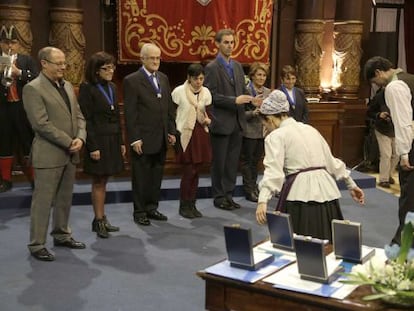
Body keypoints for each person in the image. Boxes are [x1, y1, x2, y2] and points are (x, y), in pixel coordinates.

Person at [255, 90, 365, 241]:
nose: (266, 128)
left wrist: (263, 200)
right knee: (328, 245)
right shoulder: (310, 129)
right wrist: (351, 184)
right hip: (326, 195)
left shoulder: (276, 136)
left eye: (265, 124)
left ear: (270, 119)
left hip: (300, 196)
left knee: (300, 247)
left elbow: (274, 172)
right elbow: (331, 161)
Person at [22, 47, 87, 261]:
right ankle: (37, 244)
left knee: (64, 198)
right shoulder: (33, 88)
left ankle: (61, 234)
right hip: (49, 154)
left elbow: (79, 116)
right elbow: (41, 124)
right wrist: (69, 141)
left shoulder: (67, 85)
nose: (62, 66)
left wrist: (81, 137)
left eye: (64, 63)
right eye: (58, 63)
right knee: (43, 201)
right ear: (44, 63)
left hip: (70, 153)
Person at [204, 28, 261, 211]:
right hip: (221, 123)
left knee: (231, 164)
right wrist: (233, 101)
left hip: (237, 123)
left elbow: (242, 93)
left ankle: (228, 195)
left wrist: (252, 100)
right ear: (218, 44)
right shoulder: (212, 68)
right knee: (219, 163)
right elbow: (211, 96)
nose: (230, 46)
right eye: (226, 42)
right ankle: (219, 196)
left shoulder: (237, 66)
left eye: (232, 42)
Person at [123, 43, 177, 226]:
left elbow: (169, 107)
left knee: (156, 176)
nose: (155, 61)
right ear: (142, 59)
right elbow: (131, 114)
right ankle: (139, 211)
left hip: (161, 137)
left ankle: (152, 207)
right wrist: (135, 138)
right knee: (141, 177)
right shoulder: (132, 80)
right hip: (143, 139)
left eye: (157, 58)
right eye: (151, 58)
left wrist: (170, 130)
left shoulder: (163, 78)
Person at [364, 56, 414, 246]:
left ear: (378, 73)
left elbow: (403, 122)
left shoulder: (394, 87)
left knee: (409, 202)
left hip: (411, 145)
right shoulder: (409, 78)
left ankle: (401, 250)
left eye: (374, 82)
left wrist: (404, 153)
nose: (377, 86)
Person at [78, 51, 125, 238]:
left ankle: (103, 218)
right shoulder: (87, 88)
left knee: (105, 179)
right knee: (98, 181)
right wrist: (93, 146)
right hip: (98, 139)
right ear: (96, 71)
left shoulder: (112, 87)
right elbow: (86, 119)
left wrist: (121, 141)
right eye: (106, 68)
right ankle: (98, 221)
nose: (111, 71)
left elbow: (116, 117)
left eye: (112, 67)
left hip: (112, 139)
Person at [0, 24, 38, 192]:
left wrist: (20, 73)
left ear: (18, 44)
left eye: (13, 42)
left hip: (22, 108)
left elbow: (37, 79)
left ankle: (35, 179)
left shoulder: (26, 60)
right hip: (3, 108)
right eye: (6, 42)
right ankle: (5, 180)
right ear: (1, 44)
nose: (10, 46)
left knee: (27, 142)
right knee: (3, 142)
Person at [172, 63, 212, 219]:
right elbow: (173, 114)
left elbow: (208, 113)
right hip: (186, 134)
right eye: (196, 79)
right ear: (189, 78)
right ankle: (184, 205)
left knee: (197, 171)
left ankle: (192, 204)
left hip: (200, 133)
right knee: (189, 171)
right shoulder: (179, 92)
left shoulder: (206, 93)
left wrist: (208, 120)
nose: (199, 82)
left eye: (201, 78)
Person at [240, 62, 270, 202]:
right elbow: (241, 114)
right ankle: (248, 189)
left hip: (262, 132)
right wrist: (253, 113)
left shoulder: (268, 92)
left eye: (264, 75)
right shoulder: (246, 91)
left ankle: (254, 186)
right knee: (248, 161)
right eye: (259, 75)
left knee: (256, 161)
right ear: (252, 76)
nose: (261, 78)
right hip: (248, 131)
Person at [366, 87, 398, 188]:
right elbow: (369, 111)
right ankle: (384, 179)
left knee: (397, 154)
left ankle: (389, 175)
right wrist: (379, 115)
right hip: (382, 128)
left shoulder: (400, 96)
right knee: (386, 154)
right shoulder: (380, 96)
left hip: (396, 128)